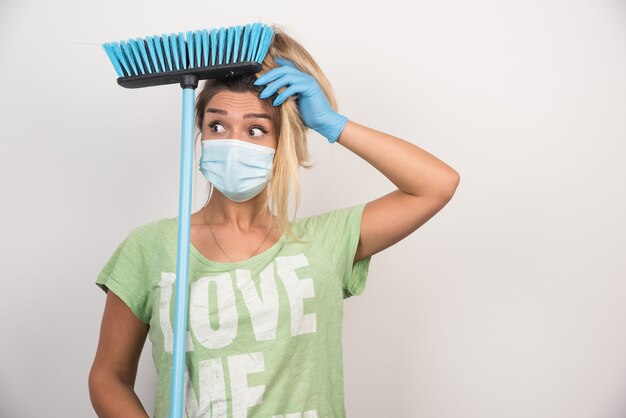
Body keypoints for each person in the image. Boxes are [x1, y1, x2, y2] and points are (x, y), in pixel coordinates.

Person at [88, 26, 460, 418]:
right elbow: (108, 376)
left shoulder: (322, 243)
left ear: (282, 143)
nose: (233, 143)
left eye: (256, 129)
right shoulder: (153, 246)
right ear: (199, 130)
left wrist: (333, 124)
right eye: (217, 125)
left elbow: (436, 185)